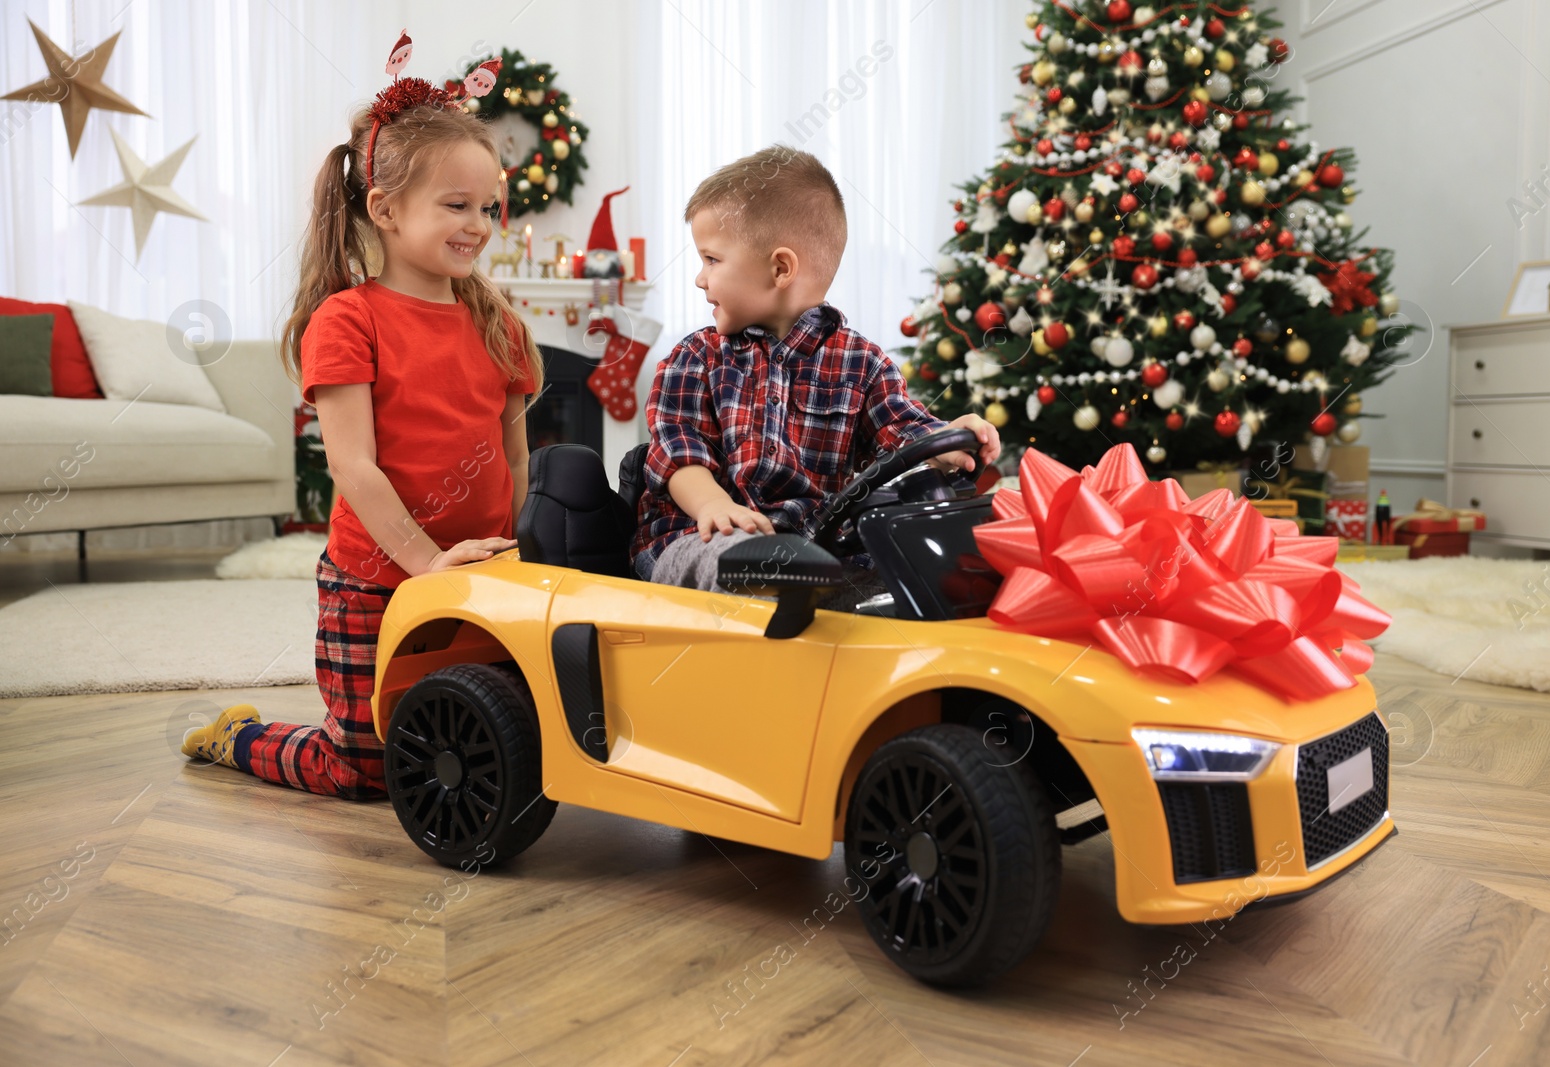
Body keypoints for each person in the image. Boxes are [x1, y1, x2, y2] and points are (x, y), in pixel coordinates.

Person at [180, 47, 542, 799]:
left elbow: (515, 449)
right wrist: (424, 563)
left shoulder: (498, 322)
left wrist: (517, 552)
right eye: (455, 205)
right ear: (384, 209)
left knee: (475, 741)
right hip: (376, 579)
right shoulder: (348, 319)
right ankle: (237, 735)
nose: (478, 225)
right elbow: (354, 466)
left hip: (476, 575)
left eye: (487, 207)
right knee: (366, 769)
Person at [630, 146, 1000, 594]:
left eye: (712, 260)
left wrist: (943, 441)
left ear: (780, 268)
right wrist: (713, 505)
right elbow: (677, 453)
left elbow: (903, 427)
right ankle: (783, 591)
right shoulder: (696, 357)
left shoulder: (863, 364)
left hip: (817, 550)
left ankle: (834, 616)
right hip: (703, 534)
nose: (700, 278)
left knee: (895, 568)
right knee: (729, 556)